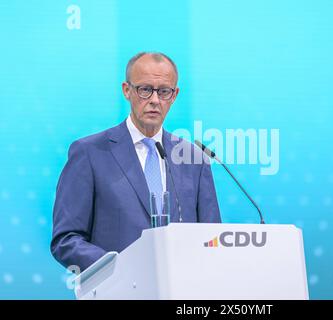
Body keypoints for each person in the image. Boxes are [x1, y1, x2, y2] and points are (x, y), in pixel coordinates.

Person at [51, 52, 221, 271]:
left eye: (164, 91)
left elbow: (212, 238)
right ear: (127, 90)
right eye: (145, 89)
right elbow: (66, 239)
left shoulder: (193, 158)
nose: (154, 100)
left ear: (175, 95)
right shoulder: (90, 153)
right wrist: (116, 267)